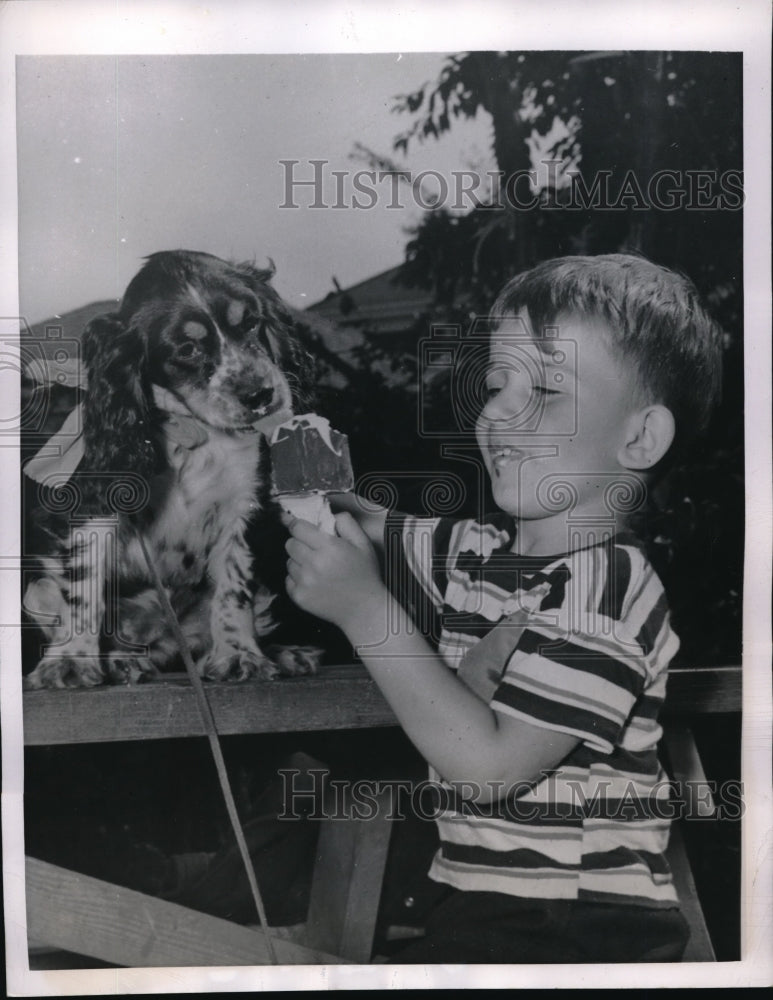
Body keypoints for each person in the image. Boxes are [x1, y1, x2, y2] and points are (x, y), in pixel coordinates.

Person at [282, 254, 723, 964]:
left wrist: (366, 612)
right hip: (491, 910)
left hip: (583, 932)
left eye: (545, 389)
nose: (496, 412)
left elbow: (488, 770)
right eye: (496, 383)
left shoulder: (604, 588)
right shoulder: (483, 556)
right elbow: (361, 524)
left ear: (638, 438)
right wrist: (301, 466)